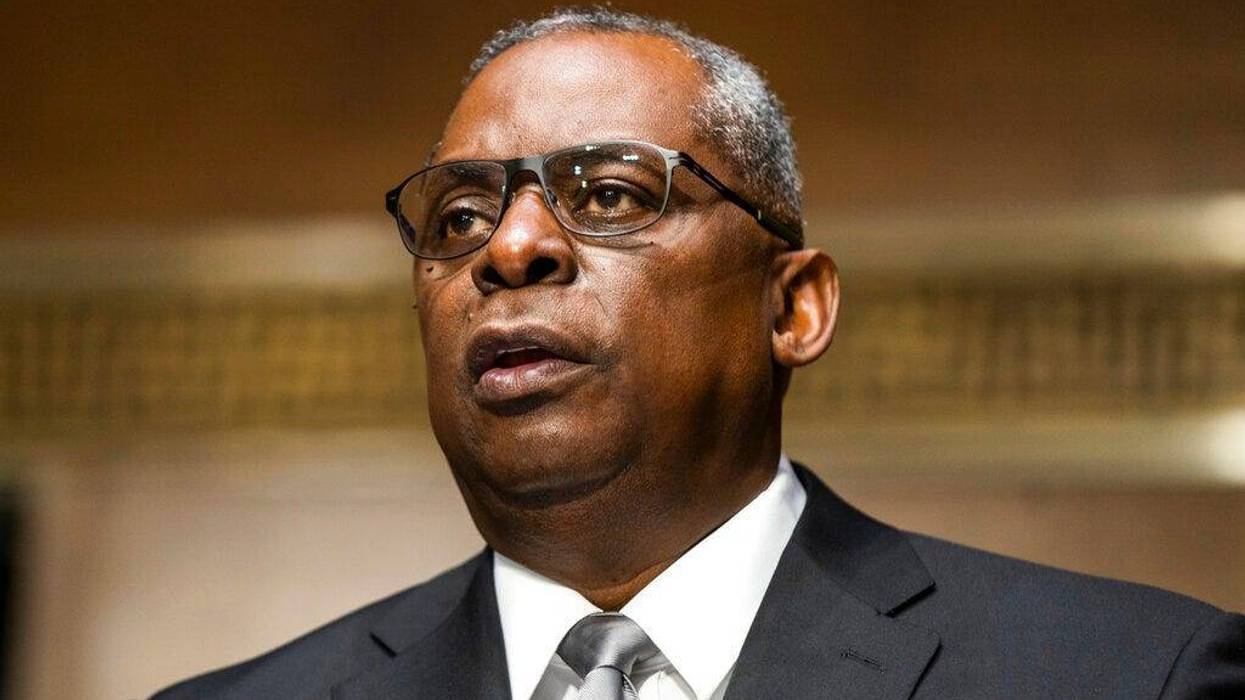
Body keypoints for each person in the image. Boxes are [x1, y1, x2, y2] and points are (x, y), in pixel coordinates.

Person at [153, 8, 1245, 699]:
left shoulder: (1129, 675)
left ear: (794, 308)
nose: (513, 246)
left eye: (613, 194)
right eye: (457, 218)